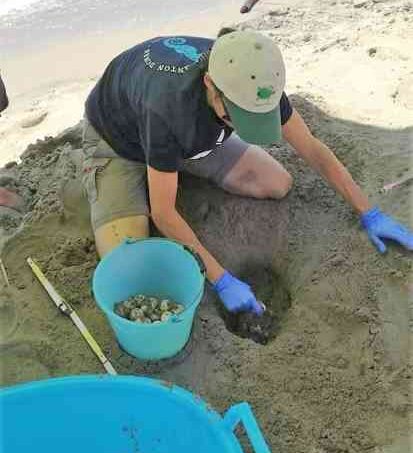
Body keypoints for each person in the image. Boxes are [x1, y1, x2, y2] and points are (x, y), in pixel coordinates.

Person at [82, 29, 413, 315]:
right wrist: (222, 280)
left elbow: (311, 147)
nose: (247, 123)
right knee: (131, 272)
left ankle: (168, 169)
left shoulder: (256, 82)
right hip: (119, 140)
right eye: (237, 117)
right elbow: (164, 213)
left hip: (182, 139)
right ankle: (108, 182)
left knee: (276, 182)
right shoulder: (168, 108)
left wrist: (369, 212)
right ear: (211, 85)